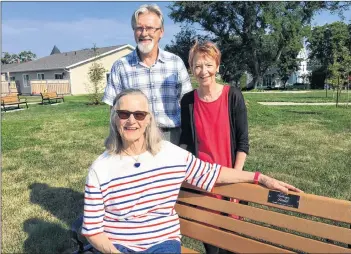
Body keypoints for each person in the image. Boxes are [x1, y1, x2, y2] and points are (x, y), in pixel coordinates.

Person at [82, 88, 302, 254]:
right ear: (115, 118)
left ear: (148, 120)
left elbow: (213, 173)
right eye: (124, 114)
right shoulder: (100, 169)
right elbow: (92, 230)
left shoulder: (169, 154)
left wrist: (259, 177)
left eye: (139, 115)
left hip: (162, 243)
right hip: (117, 245)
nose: (131, 121)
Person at [179, 41, 249, 254]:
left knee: (232, 246)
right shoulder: (188, 101)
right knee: (211, 247)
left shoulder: (233, 96)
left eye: (209, 65)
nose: (203, 71)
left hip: (230, 180)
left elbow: (243, 142)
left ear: (217, 66)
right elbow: (187, 143)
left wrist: (236, 180)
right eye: (197, 66)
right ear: (192, 69)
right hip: (203, 183)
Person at [102, 4, 192, 145]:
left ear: (161, 32)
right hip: (136, 136)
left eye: (150, 28)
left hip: (172, 136)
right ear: (134, 32)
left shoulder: (175, 63)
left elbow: (188, 104)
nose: (144, 33)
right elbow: (113, 110)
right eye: (139, 28)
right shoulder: (121, 66)